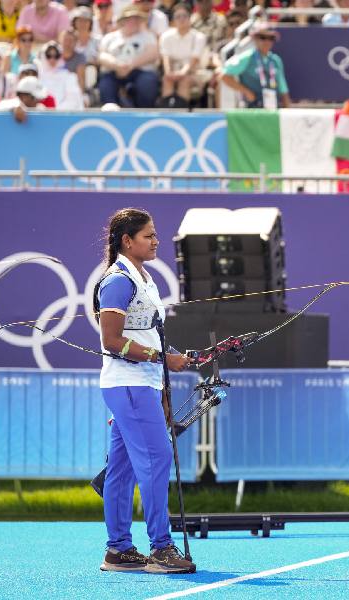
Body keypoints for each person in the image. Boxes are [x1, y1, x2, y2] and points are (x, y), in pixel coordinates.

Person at [94, 208, 196, 574]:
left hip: (140, 387)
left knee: (121, 470)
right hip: (128, 385)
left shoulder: (144, 278)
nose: (156, 241)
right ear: (127, 240)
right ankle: (161, 548)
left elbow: (146, 335)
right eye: (148, 236)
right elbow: (111, 340)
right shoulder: (118, 281)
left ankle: (118, 550)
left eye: (155, 235)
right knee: (156, 460)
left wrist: (163, 381)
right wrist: (162, 358)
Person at [98, 6, 160, 108]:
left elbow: (152, 53)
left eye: (136, 19)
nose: (134, 21)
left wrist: (131, 65)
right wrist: (117, 65)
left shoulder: (148, 36)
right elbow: (101, 56)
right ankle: (110, 113)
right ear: (122, 21)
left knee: (147, 82)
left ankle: (144, 112)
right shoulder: (110, 37)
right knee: (106, 84)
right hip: (114, 71)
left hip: (140, 71)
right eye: (130, 19)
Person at [221, 22, 290, 108]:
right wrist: (246, 91)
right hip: (252, 108)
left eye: (271, 38)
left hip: (272, 107)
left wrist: (287, 109)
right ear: (255, 39)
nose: (267, 41)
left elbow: (283, 88)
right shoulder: (247, 57)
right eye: (263, 37)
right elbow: (225, 75)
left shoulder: (275, 60)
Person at [159, 2, 206, 107]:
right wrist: (169, 73)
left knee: (184, 81)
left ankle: (181, 113)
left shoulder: (199, 37)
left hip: (194, 73)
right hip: (173, 72)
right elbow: (166, 58)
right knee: (167, 80)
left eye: (184, 16)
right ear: (173, 19)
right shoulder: (166, 36)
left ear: (190, 18)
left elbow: (194, 60)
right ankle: (167, 113)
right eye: (178, 16)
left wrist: (182, 73)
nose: (181, 19)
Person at [37, 40, 85, 109]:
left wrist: (55, 111)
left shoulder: (69, 76)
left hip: (62, 115)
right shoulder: (37, 76)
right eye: (49, 55)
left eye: (56, 56)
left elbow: (73, 100)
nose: (52, 59)